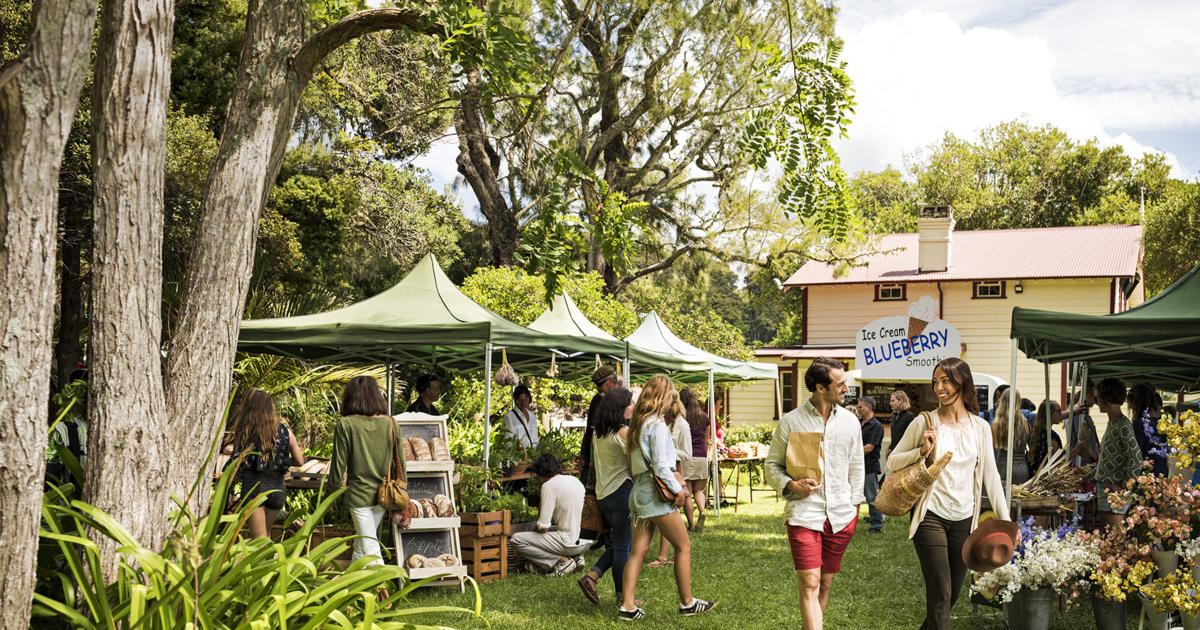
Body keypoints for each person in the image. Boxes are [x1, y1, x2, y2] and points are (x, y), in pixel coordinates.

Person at [887, 357, 1015, 630]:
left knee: (952, 593)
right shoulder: (925, 423)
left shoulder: (980, 427)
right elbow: (892, 461)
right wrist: (921, 451)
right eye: (936, 381)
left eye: (946, 380)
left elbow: (991, 476)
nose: (939, 387)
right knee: (941, 590)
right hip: (930, 515)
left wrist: (1007, 524)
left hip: (964, 519)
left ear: (962, 382)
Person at [765, 357, 863, 630]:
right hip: (804, 514)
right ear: (820, 387)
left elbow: (857, 467)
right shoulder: (790, 421)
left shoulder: (850, 423)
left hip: (842, 517)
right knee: (810, 581)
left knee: (825, 583)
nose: (846, 389)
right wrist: (791, 485)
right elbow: (771, 466)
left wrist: (855, 508)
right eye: (841, 383)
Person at [619, 375, 716, 620]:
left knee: (637, 551)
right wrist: (679, 492)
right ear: (663, 397)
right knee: (683, 546)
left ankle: (628, 606)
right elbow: (662, 467)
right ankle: (687, 603)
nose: (672, 401)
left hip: (639, 492)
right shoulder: (658, 425)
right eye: (671, 396)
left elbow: (635, 464)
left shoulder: (637, 424)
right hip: (657, 494)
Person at [326, 376, 404, 564]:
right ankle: (352, 589)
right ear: (377, 396)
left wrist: (330, 496)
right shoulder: (390, 423)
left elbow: (338, 466)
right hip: (384, 496)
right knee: (363, 546)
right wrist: (402, 488)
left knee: (369, 547)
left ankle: (382, 588)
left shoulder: (346, 424)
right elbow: (401, 462)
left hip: (358, 495)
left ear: (350, 397)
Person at [577, 387, 634, 604]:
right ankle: (622, 597)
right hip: (621, 492)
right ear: (620, 407)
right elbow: (634, 463)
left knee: (620, 542)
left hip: (603, 495)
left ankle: (592, 576)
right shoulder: (622, 433)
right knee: (623, 546)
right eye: (629, 403)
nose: (632, 407)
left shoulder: (598, 432)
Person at [224, 388, 306, 539]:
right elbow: (300, 461)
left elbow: (238, 459)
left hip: (254, 489)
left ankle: (266, 562)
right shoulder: (285, 431)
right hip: (277, 488)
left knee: (259, 539)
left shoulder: (246, 431)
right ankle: (271, 562)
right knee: (266, 535)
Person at [511, 454, 591, 575]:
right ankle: (576, 557)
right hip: (583, 541)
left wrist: (534, 528)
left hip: (566, 543)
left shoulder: (548, 486)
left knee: (516, 539)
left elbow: (543, 527)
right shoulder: (575, 480)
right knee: (557, 530)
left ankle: (563, 561)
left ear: (540, 473)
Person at [649, 393, 696, 565]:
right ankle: (662, 554)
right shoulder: (661, 423)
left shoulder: (682, 425)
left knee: (668, 511)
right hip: (662, 473)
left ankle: (664, 556)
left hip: (673, 473)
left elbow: (687, 454)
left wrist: (666, 451)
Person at [1091, 378, 1142, 528]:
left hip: (1114, 492)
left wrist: (1124, 485)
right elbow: (1110, 460)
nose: (1096, 402)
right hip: (1107, 488)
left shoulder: (1122, 425)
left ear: (1106, 399)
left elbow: (1136, 457)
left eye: (1098, 398)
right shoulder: (1115, 423)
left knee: (1115, 539)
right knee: (1111, 539)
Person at [578, 366, 619, 486]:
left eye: (599, 384)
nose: (597, 388)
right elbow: (588, 430)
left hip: (612, 460)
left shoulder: (622, 400)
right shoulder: (596, 400)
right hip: (594, 457)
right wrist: (583, 455)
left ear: (611, 381)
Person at [680, 388, 711, 532]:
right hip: (701, 456)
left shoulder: (681, 417)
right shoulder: (704, 417)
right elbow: (707, 439)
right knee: (699, 490)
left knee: (687, 493)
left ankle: (691, 525)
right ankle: (702, 511)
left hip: (686, 457)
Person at [993, 387, 1032, 487]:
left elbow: (991, 452)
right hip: (1022, 469)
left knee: (1003, 501)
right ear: (1018, 401)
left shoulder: (996, 424)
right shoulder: (1025, 423)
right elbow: (1032, 449)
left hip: (1003, 468)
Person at [857, 396, 885, 534]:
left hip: (869, 466)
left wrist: (850, 453)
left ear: (869, 408)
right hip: (856, 466)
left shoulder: (877, 426)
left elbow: (869, 448)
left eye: (860, 407)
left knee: (872, 497)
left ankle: (876, 525)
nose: (858, 409)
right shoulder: (857, 423)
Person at [1128, 383, 1168, 476]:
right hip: (1162, 472)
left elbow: (1134, 453)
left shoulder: (1140, 424)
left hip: (1146, 475)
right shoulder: (1162, 423)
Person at [1065, 381, 1100, 466]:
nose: (1096, 402)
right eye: (1095, 398)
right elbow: (1083, 441)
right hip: (1081, 462)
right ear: (1088, 396)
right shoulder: (1079, 414)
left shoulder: (1078, 412)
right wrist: (1097, 459)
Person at [1028, 400, 1064, 473]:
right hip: (1046, 477)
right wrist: (1078, 448)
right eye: (1058, 411)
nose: (1061, 414)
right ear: (1049, 413)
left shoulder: (1036, 432)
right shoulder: (1051, 436)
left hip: (1034, 474)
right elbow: (1059, 460)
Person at [504, 384, 540, 449]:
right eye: (521, 400)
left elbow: (535, 438)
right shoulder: (509, 417)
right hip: (519, 456)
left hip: (534, 455)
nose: (523, 403)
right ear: (515, 400)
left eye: (526, 400)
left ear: (529, 399)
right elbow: (508, 441)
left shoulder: (532, 416)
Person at [888, 390, 916, 457]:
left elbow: (914, 438)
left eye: (892, 401)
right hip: (894, 453)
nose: (890, 403)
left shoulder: (910, 417)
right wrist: (889, 448)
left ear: (900, 401)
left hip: (905, 455)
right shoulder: (894, 416)